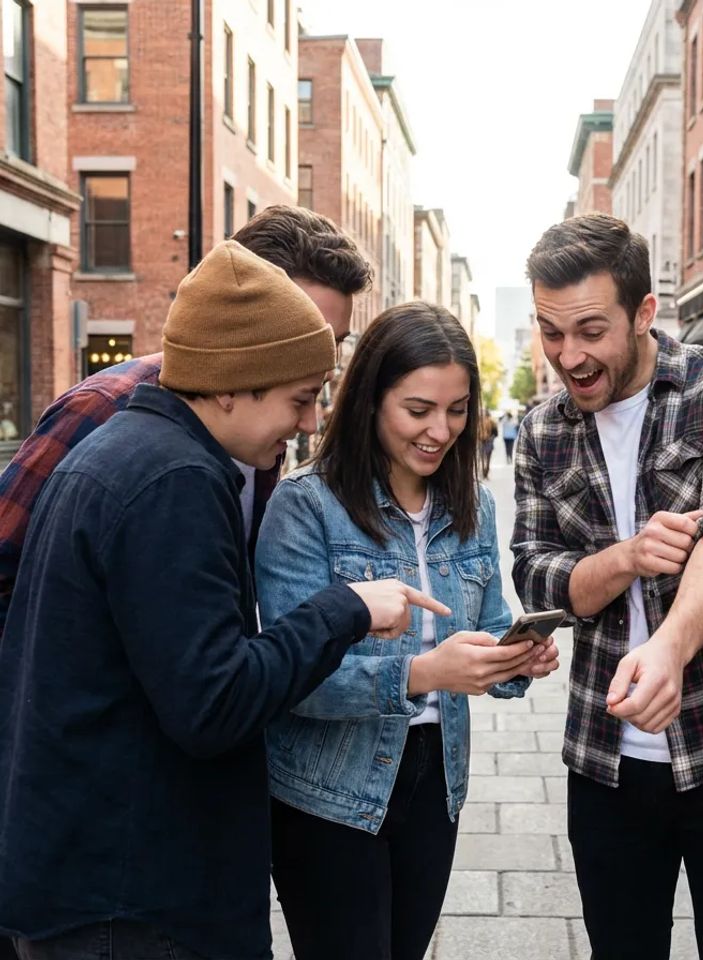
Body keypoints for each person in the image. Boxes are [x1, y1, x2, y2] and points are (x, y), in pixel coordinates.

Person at [0, 241, 447, 960]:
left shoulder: (131, 453)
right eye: (299, 399)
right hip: (132, 896)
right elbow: (214, 703)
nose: (307, 425)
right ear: (232, 384)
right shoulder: (174, 480)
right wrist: (346, 609)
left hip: (100, 876)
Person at [511, 214, 703, 960]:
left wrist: (671, 649)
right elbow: (538, 576)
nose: (568, 356)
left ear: (644, 313)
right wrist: (626, 558)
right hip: (608, 759)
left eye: (589, 330)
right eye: (550, 332)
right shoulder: (542, 431)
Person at [255, 302, 560, 960]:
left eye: (456, 410)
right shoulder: (307, 506)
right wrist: (425, 674)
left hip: (433, 780)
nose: (440, 430)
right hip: (327, 790)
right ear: (369, 399)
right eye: (417, 410)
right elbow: (289, 678)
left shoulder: (472, 502)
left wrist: (514, 661)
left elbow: (488, 626)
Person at [0, 204, 372, 636]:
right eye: (301, 331)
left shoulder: (269, 426)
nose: (317, 361)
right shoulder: (104, 406)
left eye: (334, 342)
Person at [479, 409, 498, 477]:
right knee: (488, 458)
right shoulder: (492, 422)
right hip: (489, 442)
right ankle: (486, 472)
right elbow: (496, 433)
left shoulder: (479, 422)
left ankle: (483, 471)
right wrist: (490, 438)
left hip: (481, 441)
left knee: (482, 458)